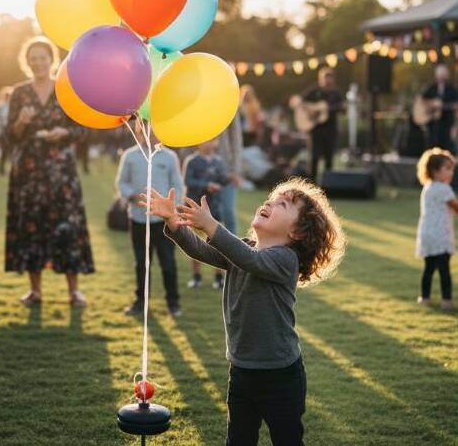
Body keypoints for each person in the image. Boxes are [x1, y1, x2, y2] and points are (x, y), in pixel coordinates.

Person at [141, 177, 346, 446]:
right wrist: (173, 223)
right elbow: (202, 250)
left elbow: (251, 261)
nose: (270, 203)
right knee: (238, 439)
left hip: (280, 376)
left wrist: (211, 225)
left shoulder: (286, 260)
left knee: (287, 440)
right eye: (271, 199)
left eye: (282, 204)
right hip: (241, 370)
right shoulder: (245, 249)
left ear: (297, 232)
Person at [5, 37, 94, 307]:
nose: (38, 62)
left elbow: (83, 129)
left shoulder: (66, 89)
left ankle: (73, 291)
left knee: (67, 226)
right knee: (31, 226)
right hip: (29, 173)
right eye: (33, 58)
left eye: (42, 57)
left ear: (51, 60)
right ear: (27, 62)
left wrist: (64, 132)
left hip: (61, 173)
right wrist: (21, 122)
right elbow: (10, 136)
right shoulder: (19, 94)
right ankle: (35, 291)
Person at [116, 122, 184, 318]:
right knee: (141, 263)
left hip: (163, 222)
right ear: (138, 131)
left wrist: (171, 208)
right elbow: (121, 182)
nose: (151, 134)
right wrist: (132, 195)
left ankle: (173, 302)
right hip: (138, 219)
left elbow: (177, 186)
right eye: (146, 130)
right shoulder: (129, 156)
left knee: (168, 262)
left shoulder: (169, 157)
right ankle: (141, 302)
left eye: (155, 131)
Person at [414, 148, 458, 309]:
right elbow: (457, 207)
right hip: (440, 235)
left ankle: (424, 297)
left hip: (427, 233)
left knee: (429, 268)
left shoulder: (428, 187)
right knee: (444, 269)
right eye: (447, 169)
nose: (451, 172)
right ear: (434, 170)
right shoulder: (443, 188)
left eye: (451, 169)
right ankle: (446, 301)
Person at [183, 139, 230, 290]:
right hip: (195, 209)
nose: (209, 144)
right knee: (194, 243)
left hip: (215, 209)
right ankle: (196, 277)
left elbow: (223, 180)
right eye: (206, 142)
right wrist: (207, 185)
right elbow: (188, 181)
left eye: (213, 141)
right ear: (198, 143)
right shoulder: (192, 161)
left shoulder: (219, 161)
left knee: (219, 244)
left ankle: (219, 278)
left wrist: (228, 179)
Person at [299, 67, 343, 182]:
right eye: (325, 78)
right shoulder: (314, 91)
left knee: (329, 157)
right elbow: (300, 102)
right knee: (314, 157)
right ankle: (311, 184)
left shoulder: (337, 93)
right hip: (315, 129)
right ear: (321, 79)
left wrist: (328, 109)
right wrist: (311, 110)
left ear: (333, 80)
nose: (327, 81)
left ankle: (328, 184)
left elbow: (341, 107)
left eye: (330, 78)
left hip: (330, 129)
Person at [421, 64, 458, 151]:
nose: (442, 77)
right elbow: (421, 100)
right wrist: (431, 105)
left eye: (444, 74)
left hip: (446, 123)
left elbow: (457, 105)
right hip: (432, 123)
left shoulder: (452, 89)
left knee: (446, 145)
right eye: (440, 74)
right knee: (432, 144)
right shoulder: (431, 87)